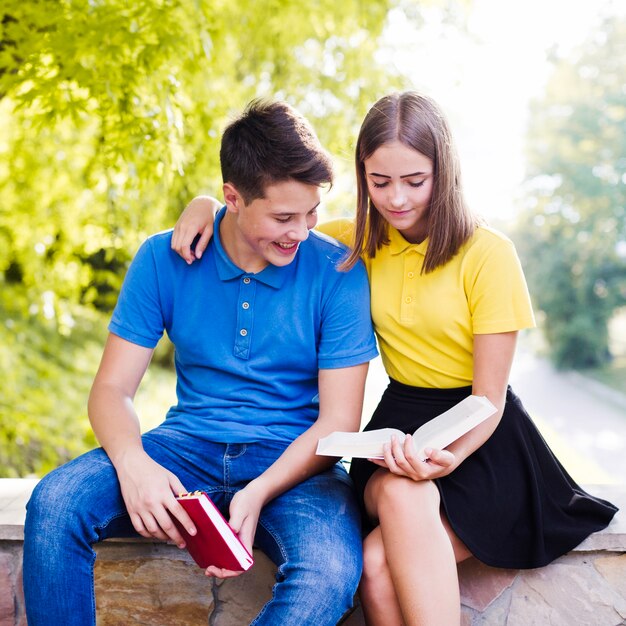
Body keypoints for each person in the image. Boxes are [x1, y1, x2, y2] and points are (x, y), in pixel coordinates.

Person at [171, 91, 618, 626]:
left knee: (379, 567)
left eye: (414, 181)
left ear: (443, 173)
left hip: (480, 434)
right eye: (379, 182)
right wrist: (202, 206)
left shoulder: (489, 255)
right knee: (403, 498)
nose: (397, 198)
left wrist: (450, 455)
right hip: (398, 424)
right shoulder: (354, 240)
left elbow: (490, 398)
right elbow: (260, 212)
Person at [22, 99, 380, 626]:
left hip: (299, 464)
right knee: (54, 506)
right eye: (283, 216)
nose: (300, 232)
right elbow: (111, 390)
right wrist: (135, 464)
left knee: (328, 571)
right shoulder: (163, 258)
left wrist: (258, 493)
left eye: (311, 213)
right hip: (184, 448)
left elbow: (338, 424)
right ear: (232, 198)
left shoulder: (338, 272)